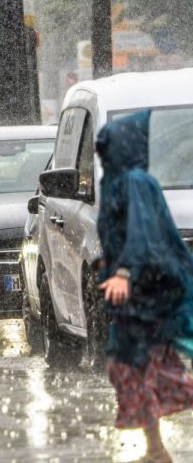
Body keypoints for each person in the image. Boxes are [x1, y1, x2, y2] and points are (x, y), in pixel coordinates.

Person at [96, 110, 193, 463]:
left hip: (146, 295)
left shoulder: (134, 181)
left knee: (131, 365)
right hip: (137, 297)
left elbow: (143, 233)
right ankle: (156, 449)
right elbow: (122, 234)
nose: (102, 153)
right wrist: (109, 265)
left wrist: (125, 272)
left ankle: (156, 450)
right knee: (139, 367)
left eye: (106, 146)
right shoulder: (117, 181)